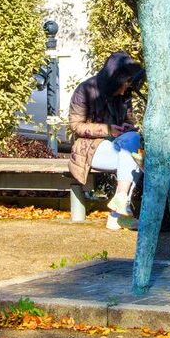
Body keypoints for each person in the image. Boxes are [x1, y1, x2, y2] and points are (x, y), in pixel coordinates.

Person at [69, 51, 145, 229]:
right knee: (133, 159)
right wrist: (107, 130)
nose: (126, 88)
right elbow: (75, 125)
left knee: (134, 149)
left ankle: (119, 203)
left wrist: (127, 127)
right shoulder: (84, 90)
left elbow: (129, 121)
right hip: (90, 149)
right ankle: (118, 215)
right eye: (125, 83)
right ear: (114, 79)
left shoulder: (124, 95)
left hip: (119, 147)